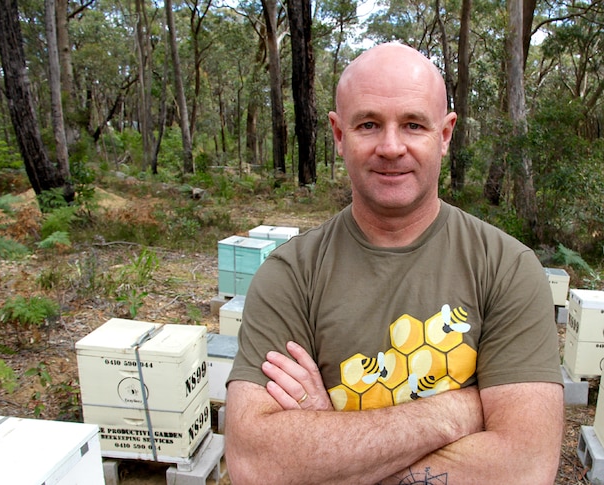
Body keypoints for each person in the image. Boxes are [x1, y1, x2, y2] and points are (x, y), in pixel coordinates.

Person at [225, 42, 564, 484]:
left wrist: (328, 454)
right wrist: (452, 413)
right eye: (368, 124)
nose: (390, 146)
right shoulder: (292, 275)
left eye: (413, 125)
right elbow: (257, 465)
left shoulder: (505, 268)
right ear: (339, 135)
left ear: (444, 135)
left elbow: (523, 469)